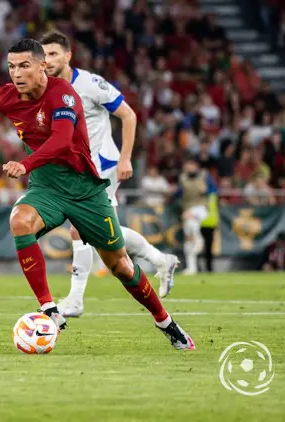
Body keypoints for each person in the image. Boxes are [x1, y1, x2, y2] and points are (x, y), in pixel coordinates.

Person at [0, 39, 193, 350]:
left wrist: (26, 164)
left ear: (42, 66)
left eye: (24, 65)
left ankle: (165, 321)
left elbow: (61, 140)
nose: (16, 74)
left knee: (120, 266)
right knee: (20, 220)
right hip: (47, 186)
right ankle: (50, 310)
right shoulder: (6, 98)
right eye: (11, 67)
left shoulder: (65, 94)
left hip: (86, 189)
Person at [40, 31, 179, 317]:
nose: (48, 60)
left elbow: (128, 115)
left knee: (80, 227)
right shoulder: (46, 88)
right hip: (76, 169)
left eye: (54, 54)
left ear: (68, 55)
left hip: (102, 166)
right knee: (104, 233)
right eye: (44, 55)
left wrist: (126, 157)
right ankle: (160, 259)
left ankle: (76, 300)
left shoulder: (90, 83)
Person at [176, 157, 217, 275]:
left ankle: (198, 238)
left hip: (202, 208)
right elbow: (179, 194)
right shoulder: (183, 178)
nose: (188, 167)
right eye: (187, 165)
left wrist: (207, 190)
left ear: (196, 166)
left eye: (191, 165)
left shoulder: (204, 176)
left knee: (190, 219)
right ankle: (191, 267)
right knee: (189, 233)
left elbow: (214, 190)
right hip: (187, 209)